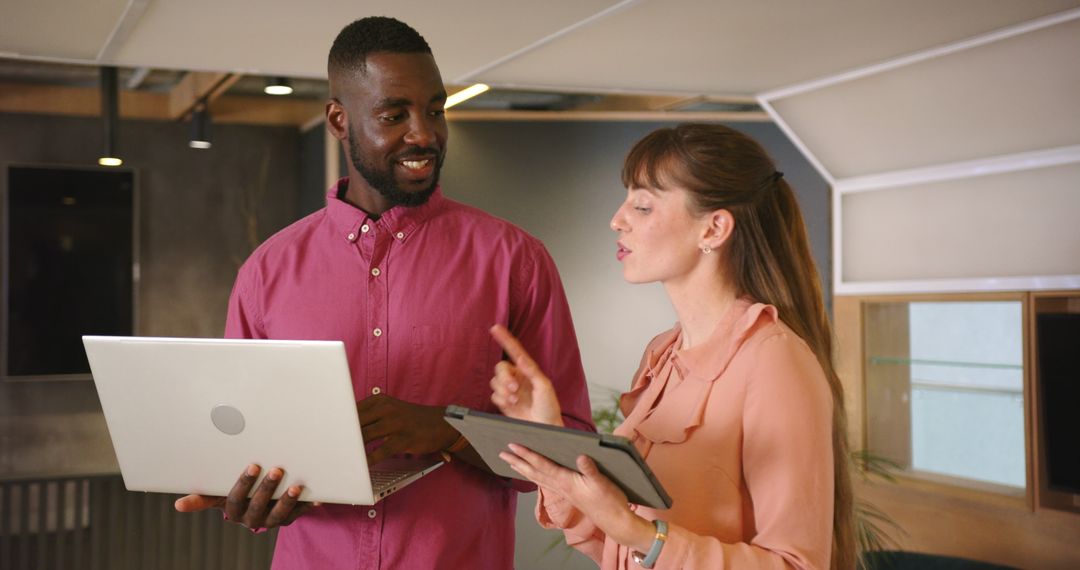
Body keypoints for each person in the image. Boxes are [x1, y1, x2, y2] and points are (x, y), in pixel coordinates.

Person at [173, 16, 593, 570]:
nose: (425, 134)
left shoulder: (516, 261)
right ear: (338, 120)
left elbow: (574, 451)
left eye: (435, 110)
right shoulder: (266, 271)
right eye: (394, 115)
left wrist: (450, 431)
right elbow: (242, 442)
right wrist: (250, 493)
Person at [489, 123, 855, 569]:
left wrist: (639, 533)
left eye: (643, 205)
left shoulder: (774, 359)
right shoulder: (663, 355)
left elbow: (798, 565)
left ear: (714, 228)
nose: (617, 219)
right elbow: (615, 544)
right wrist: (547, 436)